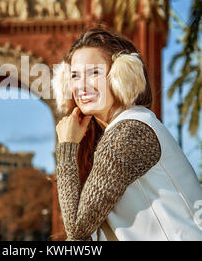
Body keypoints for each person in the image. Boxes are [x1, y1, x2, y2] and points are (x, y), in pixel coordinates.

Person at [52, 27, 202, 241]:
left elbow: (77, 229)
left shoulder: (130, 131)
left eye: (94, 72)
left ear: (122, 75)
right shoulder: (119, 129)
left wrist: (67, 146)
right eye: (74, 76)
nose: (81, 86)